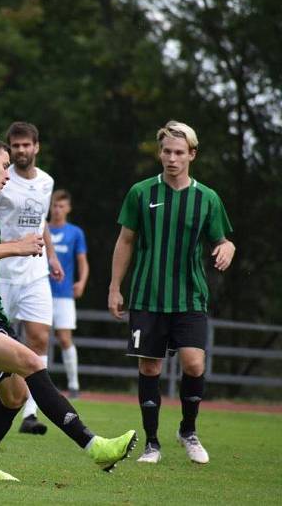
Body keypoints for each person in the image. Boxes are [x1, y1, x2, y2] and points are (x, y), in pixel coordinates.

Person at [0, 134, 136, 481]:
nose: (7, 173)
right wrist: (15, 247)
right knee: (31, 361)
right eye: (2, 164)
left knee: (14, 396)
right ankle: (95, 447)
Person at [108, 120, 235, 465]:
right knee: (150, 369)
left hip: (190, 296)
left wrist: (227, 249)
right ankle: (152, 444)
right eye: (166, 151)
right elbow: (126, 241)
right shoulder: (141, 192)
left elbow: (223, 240)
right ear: (160, 153)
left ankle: (188, 431)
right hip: (147, 295)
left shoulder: (207, 198)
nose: (172, 158)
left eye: (179, 152)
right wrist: (114, 287)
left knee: (194, 363)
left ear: (192, 154)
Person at [0, 121, 64, 435]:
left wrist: (53, 256)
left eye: (26, 145)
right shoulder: (2, 179)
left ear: (36, 147)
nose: (20, 150)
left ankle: (30, 413)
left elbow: (42, 220)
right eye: (15, 146)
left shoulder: (46, 181)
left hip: (35, 270)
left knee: (40, 338)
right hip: (3, 271)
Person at [47, 189, 89, 398]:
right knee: (39, 339)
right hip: (41, 292)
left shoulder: (75, 233)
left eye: (61, 206)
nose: (57, 209)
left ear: (68, 208)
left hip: (64, 294)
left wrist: (81, 282)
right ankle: (39, 385)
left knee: (64, 339)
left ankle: (73, 385)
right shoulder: (42, 228)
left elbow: (83, 262)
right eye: (54, 205)